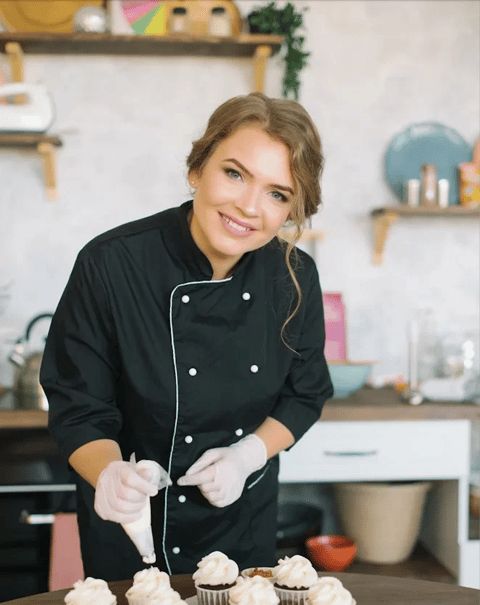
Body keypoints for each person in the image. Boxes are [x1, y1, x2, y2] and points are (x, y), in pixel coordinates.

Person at [40, 92, 333, 581]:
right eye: (234, 173)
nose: (249, 206)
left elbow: (305, 394)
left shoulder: (294, 278)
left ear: (291, 212)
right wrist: (109, 475)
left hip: (243, 529)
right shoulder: (112, 263)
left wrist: (247, 456)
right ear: (198, 168)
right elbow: (77, 403)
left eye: (277, 193)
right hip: (129, 530)